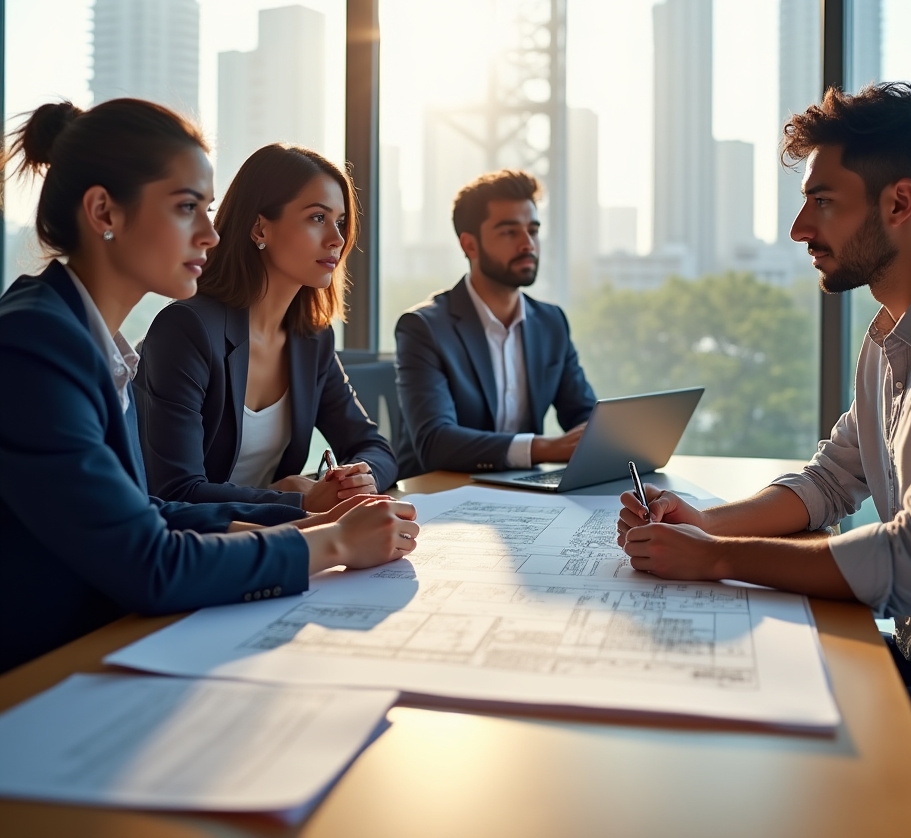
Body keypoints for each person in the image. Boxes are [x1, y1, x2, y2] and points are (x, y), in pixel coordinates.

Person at [616, 83, 911, 813]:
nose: (801, 228)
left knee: (758, 773)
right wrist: (702, 525)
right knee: (708, 696)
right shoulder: (891, 337)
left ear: (899, 204)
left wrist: (717, 559)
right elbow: (830, 482)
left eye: (823, 201)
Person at [0, 100, 417, 673]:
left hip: (105, 641)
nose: (210, 234)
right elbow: (151, 563)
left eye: (209, 209)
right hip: (43, 672)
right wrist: (332, 544)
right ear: (104, 212)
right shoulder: (36, 344)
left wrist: (313, 522)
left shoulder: (85, 338)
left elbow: (147, 510)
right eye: (187, 208)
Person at [135, 144, 398, 513]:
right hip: (188, 549)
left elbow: (375, 447)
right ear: (260, 227)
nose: (337, 239)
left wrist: (358, 477)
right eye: (317, 218)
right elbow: (176, 490)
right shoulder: (186, 329)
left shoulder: (312, 338)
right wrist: (297, 499)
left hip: (280, 540)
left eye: (339, 222)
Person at [395, 169, 596, 476]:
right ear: (469, 245)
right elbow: (435, 441)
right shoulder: (424, 328)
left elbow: (583, 414)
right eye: (509, 232)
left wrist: (604, 441)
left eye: (533, 230)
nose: (527, 244)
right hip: (440, 495)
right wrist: (545, 448)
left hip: (523, 490)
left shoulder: (550, 322)